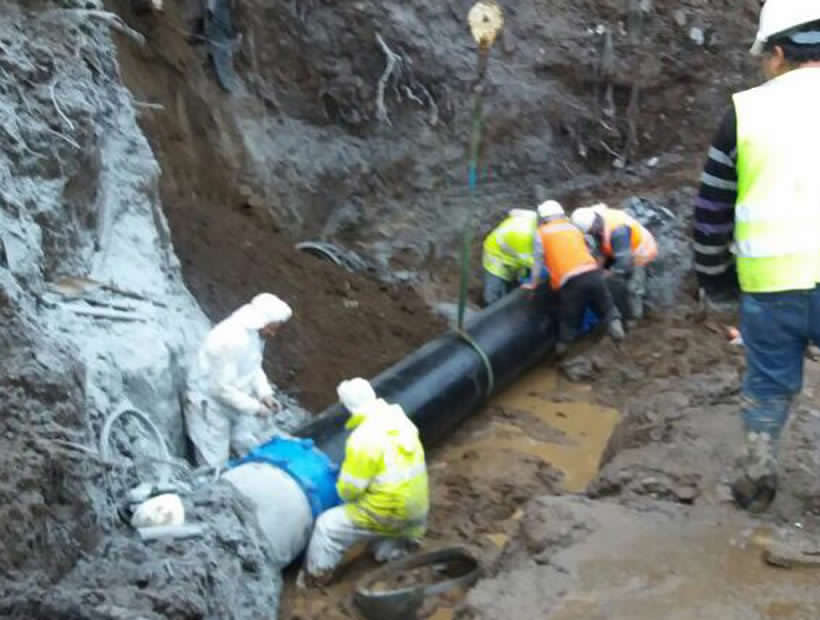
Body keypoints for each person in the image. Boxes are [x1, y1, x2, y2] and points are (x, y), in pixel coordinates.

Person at [693, 1, 820, 512]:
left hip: (770, 287)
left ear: (779, 52)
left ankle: (758, 475)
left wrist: (717, 287)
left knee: (768, 383)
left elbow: (710, 215)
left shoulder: (743, 113)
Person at [301, 378, 429, 585]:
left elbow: (349, 491)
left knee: (327, 527)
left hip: (387, 510)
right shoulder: (399, 419)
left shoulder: (363, 438)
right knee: (381, 551)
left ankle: (316, 579)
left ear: (348, 407)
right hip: (417, 510)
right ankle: (395, 549)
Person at [184, 293, 292, 466]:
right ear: (262, 320)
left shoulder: (254, 335)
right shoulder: (229, 340)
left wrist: (265, 394)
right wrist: (256, 408)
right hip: (210, 407)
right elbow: (220, 389)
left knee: (246, 445)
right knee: (214, 463)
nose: (273, 333)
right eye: (272, 327)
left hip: (235, 403)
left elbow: (254, 367)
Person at [524, 200, 625, 354]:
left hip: (572, 283)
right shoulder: (573, 227)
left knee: (570, 318)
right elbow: (588, 248)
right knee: (607, 307)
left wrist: (533, 284)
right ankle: (619, 338)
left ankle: (562, 353)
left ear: (543, 218)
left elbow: (537, 263)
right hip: (593, 273)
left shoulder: (541, 233)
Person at [571, 203, 658, 321]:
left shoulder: (618, 230)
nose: (592, 233)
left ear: (595, 224)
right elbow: (601, 248)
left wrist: (608, 273)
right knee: (610, 277)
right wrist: (599, 269)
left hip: (640, 252)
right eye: (590, 232)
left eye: (592, 231)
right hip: (620, 249)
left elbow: (624, 263)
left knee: (633, 288)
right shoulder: (594, 218)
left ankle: (637, 319)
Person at [481, 208, 538, 305]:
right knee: (495, 288)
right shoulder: (524, 235)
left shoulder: (533, 220)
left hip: (511, 253)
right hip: (496, 257)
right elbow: (528, 262)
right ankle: (490, 307)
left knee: (512, 282)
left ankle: (507, 296)